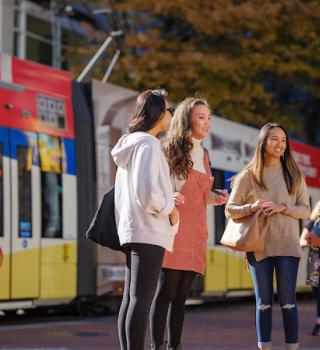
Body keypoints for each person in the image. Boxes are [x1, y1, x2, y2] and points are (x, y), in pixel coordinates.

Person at [150, 97, 228, 350]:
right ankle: (157, 346)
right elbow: (155, 186)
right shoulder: (167, 147)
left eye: (208, 117)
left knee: (183, 296)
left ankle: (175, 346)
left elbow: (200, 194)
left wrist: (216, 197)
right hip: (173, 230)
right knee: (167, 292)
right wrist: (166, 196)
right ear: (187, 119)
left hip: (196, 232)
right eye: (201, 117)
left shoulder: (204, 154)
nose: (207, 123)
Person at [225, 122, 310, 350]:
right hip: (258, 246)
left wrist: (283, 207)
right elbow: (230, 209)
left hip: (288, 246)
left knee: (288, 303)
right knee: (263, 303)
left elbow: (304, 210)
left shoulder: (294, 174)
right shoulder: (248, 175)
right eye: (274, 139)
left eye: (283, 140)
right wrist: (252, 207)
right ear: (263, 142)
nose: (279, 144)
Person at [111, 89, 180, 350]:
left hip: (131, 229)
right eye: (169, 110)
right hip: (149, 230)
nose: (171, 115)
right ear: (158, 114)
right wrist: (170, 208)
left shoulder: (130, 145)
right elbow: (148, 194)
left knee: (132, 298)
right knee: (141, 298)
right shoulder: (148, 144)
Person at [300, 200, 320, 336]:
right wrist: (310, 242)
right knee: (318, 294)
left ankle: (318, 324)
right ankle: (318, 323)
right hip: (315, 261)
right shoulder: (312, 224)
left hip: (314, 261)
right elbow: (301, 240)